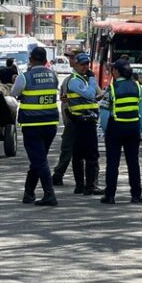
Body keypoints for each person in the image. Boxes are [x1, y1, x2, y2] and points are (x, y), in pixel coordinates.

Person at [11, 47, 59, 206]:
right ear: (45, 60)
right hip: (51, 124)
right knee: (39, 159)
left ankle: (49, 194)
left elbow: (13, 93)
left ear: (31, 59)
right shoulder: (53, 75)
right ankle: (28, 192)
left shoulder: (24, 77)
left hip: (32, 125)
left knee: (39, 160)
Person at [99, 58, 142, 204]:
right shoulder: (137, 87)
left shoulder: (111, 89)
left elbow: (105, 113)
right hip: (133, 128)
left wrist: (106, 130)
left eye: (112, 69)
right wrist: (140, 129)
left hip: (116, 128)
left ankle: (110, 195)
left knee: (113, 163)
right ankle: (136, 195)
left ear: (116, 72)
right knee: (133, 162)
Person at [67, 52, 104, 195]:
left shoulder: (83, 79)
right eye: (82, 64)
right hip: (82, 122)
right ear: (76, 64)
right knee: (90, 154)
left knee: (81, 154)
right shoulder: (75, 80)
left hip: (86, 121)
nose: (85, 67)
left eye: (87, 64)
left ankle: (83, 185)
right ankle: (89, 186)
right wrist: (93, 79)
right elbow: (89, 94)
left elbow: (93, 95)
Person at [52, 47, 83, 186]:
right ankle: (60, 176)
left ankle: (87, 182)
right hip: (70, 120)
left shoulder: (85, 78)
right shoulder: (69, 79)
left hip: (80, 120)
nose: (70, 60)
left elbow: (96, 94)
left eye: (72, 57)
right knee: (68, 150)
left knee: (80, 152)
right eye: (69, 57)